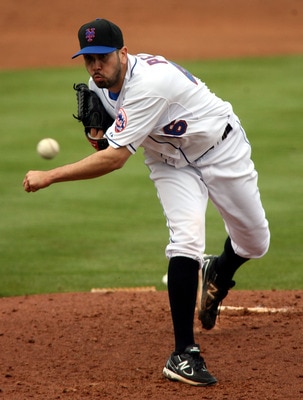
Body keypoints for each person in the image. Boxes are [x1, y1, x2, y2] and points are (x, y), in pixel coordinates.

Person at [23, 18, 270, 387]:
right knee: (185, 240)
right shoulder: (98, 84)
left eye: (103, 57)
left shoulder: (149, 84)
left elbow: (114, 158)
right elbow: (107, 140)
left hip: (221, 150)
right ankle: (183, 354)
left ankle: (217, 271)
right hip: (170, 163)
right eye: (88, 59)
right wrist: (97, 134)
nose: (95, 67)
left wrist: (50, 176)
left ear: (123, 52)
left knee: (254, 243)